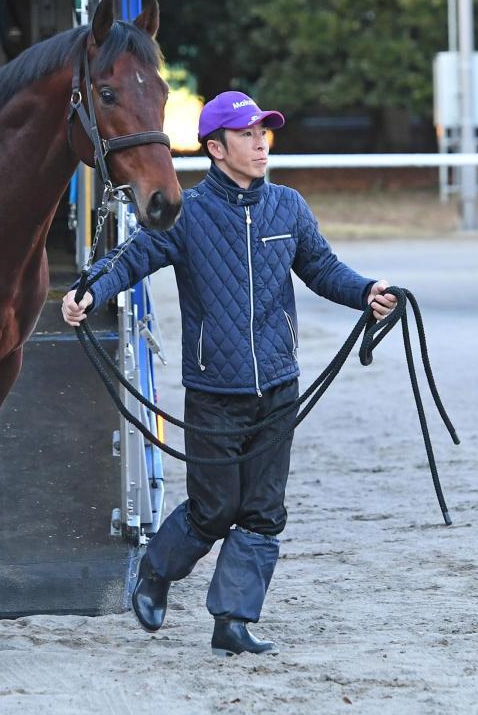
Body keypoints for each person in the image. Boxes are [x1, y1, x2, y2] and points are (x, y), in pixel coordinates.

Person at [61, 91, 398, 657]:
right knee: (213, 509)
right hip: (215, 389)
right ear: (216, 148)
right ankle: (156, 572)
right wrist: (90, 290)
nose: (260, 141)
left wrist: (367, 293)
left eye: (263, 131)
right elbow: (132, 258)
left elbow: (322, 268)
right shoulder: (185, 213)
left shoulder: (288, 207)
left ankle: (234, 622)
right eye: (246, 134)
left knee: (264, 512)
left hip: (279, 386)